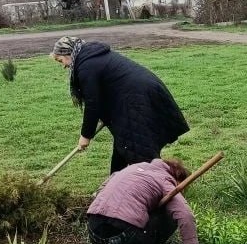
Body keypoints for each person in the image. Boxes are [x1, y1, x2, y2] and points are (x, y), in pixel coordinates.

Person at [51, 36, 189, 173]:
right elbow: (102, 92)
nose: (63, 65)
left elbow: (93, 103)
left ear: (68, 53)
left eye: (60, 60)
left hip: (138, 99)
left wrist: (85, 136)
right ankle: (114, 182)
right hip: (140, 94)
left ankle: (159, 185)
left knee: (139, 150)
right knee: (125, 144)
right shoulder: (90, 57)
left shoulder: (86, 66)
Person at [86, 157, 199, 244]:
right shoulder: (165, 180)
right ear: (178, 177)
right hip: (124, 236)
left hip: (94, 233)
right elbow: (185, 215)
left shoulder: (131, 168)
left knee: (131, 217)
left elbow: (99, 192)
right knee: (169, 214)